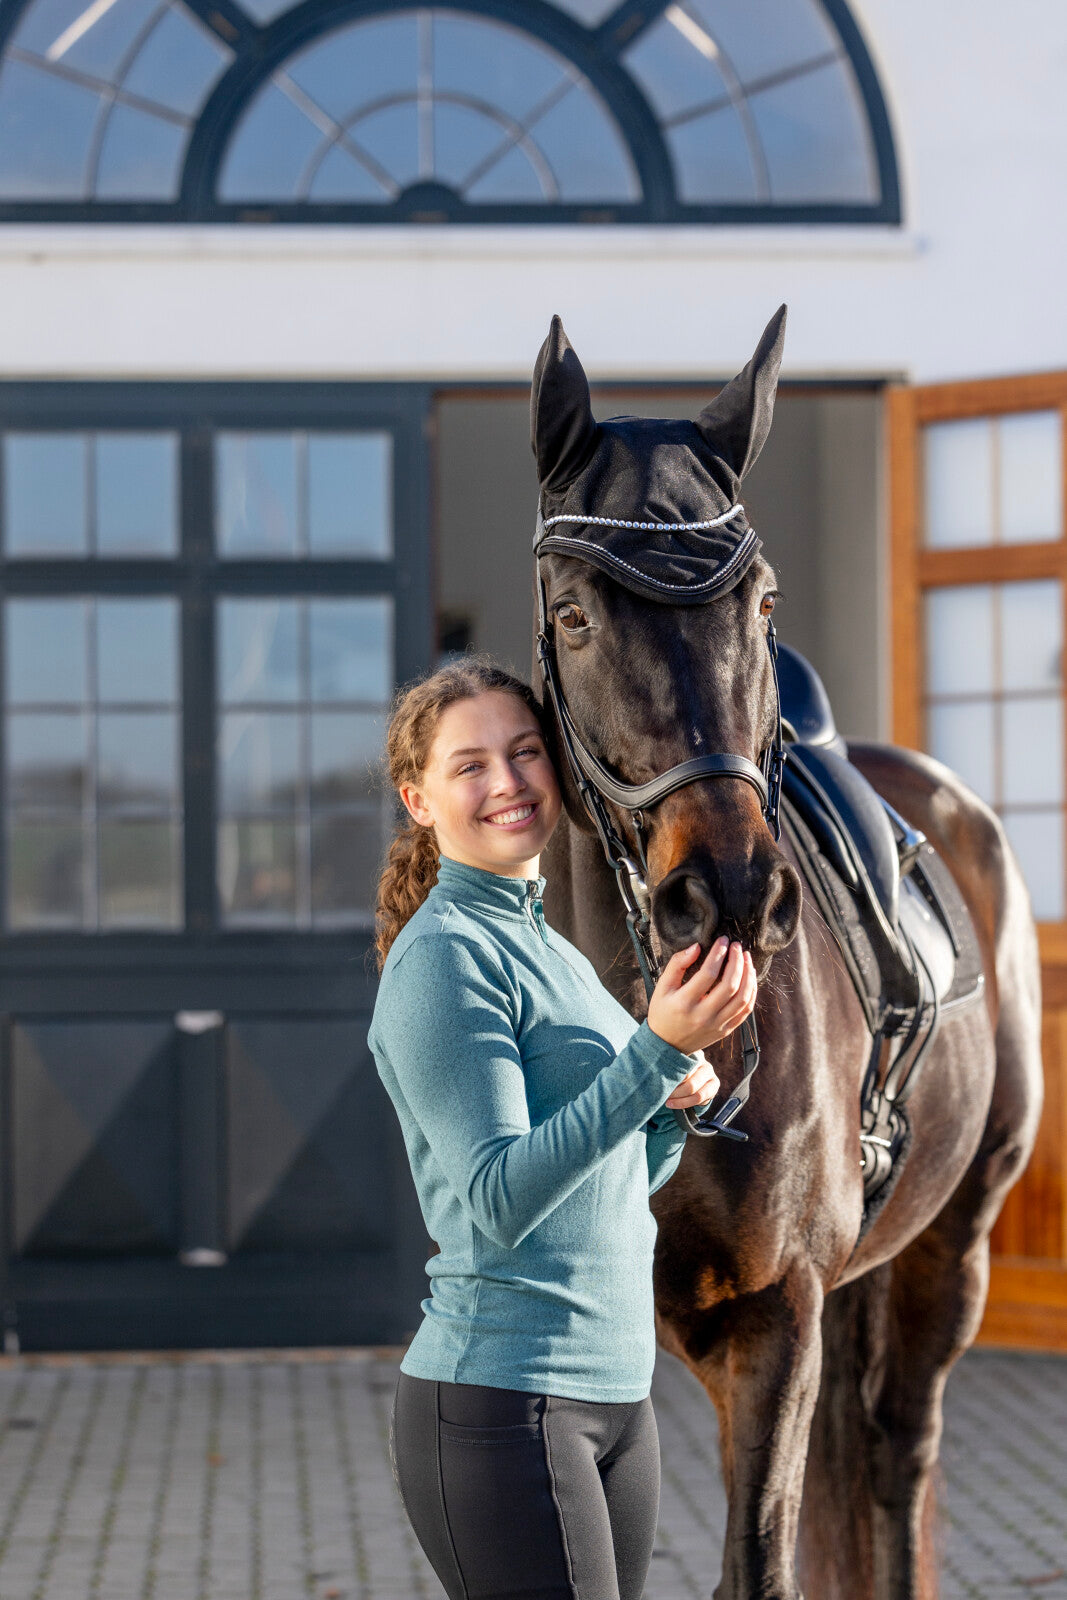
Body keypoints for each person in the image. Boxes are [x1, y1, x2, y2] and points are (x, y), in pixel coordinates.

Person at [368, 656, 757, 1600]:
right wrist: (653, 1055)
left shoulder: (550, 947)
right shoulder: (445, 957)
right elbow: (501, 1197)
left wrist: (670, 1109)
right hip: (505, 1399)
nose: (506, 782)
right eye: (470, 766)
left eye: (524, 752)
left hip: (614, 1396)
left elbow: (608, 1184)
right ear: (420, 801)